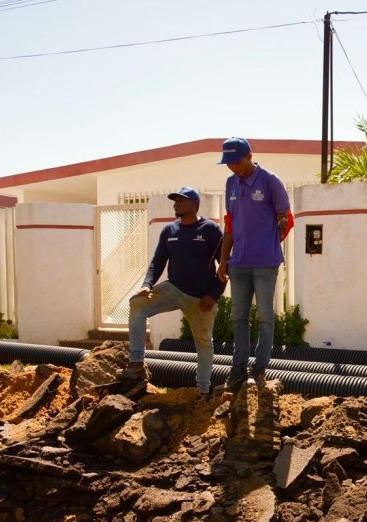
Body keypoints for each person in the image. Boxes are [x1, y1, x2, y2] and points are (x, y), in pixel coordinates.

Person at [118, 186, 225, 399]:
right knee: (137, 304)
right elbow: (157, 262)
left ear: (194, 205)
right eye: (175, 201)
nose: (176, 204)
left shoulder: (210, 230)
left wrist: (213, 295)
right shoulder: (169, 231)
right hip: (173, 289)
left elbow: (225, 266)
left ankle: (203, 390)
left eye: (181, 201)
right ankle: (137, 362)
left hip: (201, 298)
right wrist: (147, 285)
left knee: (204, 344)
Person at [217, 137, 291, 391]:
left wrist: (269, 243)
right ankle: (237, 371)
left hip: (265, 264)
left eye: (236, 161)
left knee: (265, 317)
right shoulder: (231, 184)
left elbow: (285, 219)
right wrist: (224, 258)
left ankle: (259, 369)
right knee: (238, 317)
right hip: (239, 264)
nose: (232, 167)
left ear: (249, 156)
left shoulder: (270, 181)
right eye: (228, 163)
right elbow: (230, 224)